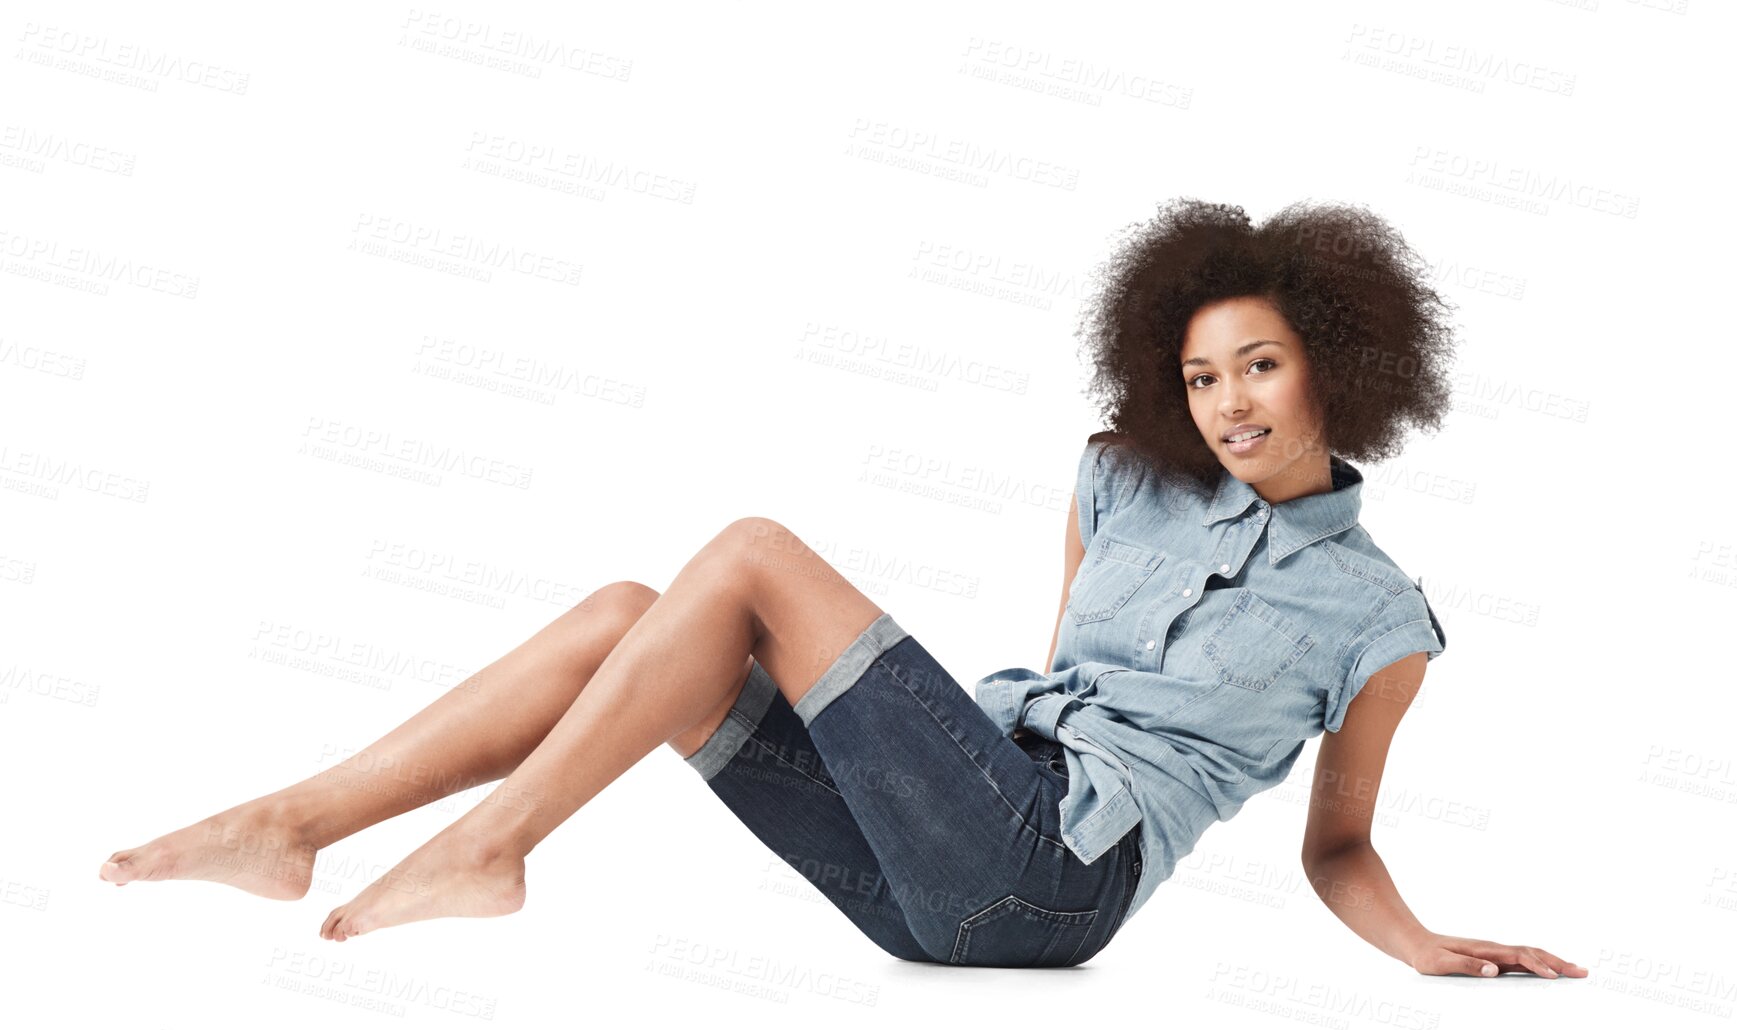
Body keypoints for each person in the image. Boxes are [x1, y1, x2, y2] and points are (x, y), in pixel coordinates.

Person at [98, 197, 1584, 978]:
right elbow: (1057, 672)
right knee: (633, 609)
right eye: (1198, 374)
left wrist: (1429, 945)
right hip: (929, 883)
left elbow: (1336, 847)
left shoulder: (1381, 617)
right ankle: (294, 825)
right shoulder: (1114, 477)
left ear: (1340, 353)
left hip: (1050, 884)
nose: (1225, 401)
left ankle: (488, 844)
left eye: (1258, 362)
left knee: (748, 550)